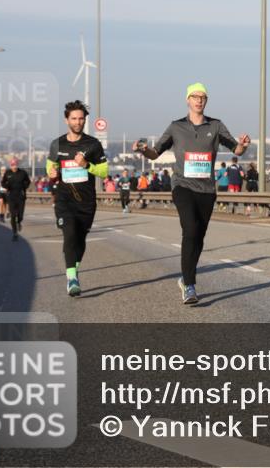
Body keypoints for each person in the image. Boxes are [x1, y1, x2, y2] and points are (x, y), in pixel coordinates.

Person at [135, 83, 249, 305]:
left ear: (206, 101)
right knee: (190, 228)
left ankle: (185, 276)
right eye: (195, 97)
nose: (199, 100)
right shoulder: (176, 126)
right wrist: (143, 149)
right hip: (182, 186)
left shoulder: (215, 126)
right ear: (187, 99)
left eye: (203, 97)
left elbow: (235, 149)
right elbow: (155, 153)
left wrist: (243, 146)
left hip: (206, 189)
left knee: (198, 237)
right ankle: (189, 284)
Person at [47, 100, 109, 297]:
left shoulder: (93, 144)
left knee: (80, 240)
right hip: (64, 198)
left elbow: (104, 172)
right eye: (74, 118)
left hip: (87, 201)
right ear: (67, 120)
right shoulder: (57, 144)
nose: (78, 122)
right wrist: (52, 171)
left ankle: (74, 267)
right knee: (70, 232)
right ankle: (72, 277)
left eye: (81, 118)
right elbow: (50, 166)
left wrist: (86, 166)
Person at [1, 158, 31, 241]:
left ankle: (19, 222)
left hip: (21, 197)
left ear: (17, 165)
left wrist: (24, 187)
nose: (14, 167)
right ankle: (14, 232)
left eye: (15, 165)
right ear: (10, 165)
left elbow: (28, 182)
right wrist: (7, 187)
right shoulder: (7, 173)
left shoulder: (23, 173)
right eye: (12, 165)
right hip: (11, 197)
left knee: (20, 215)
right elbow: (3, 182)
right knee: (13, 215)